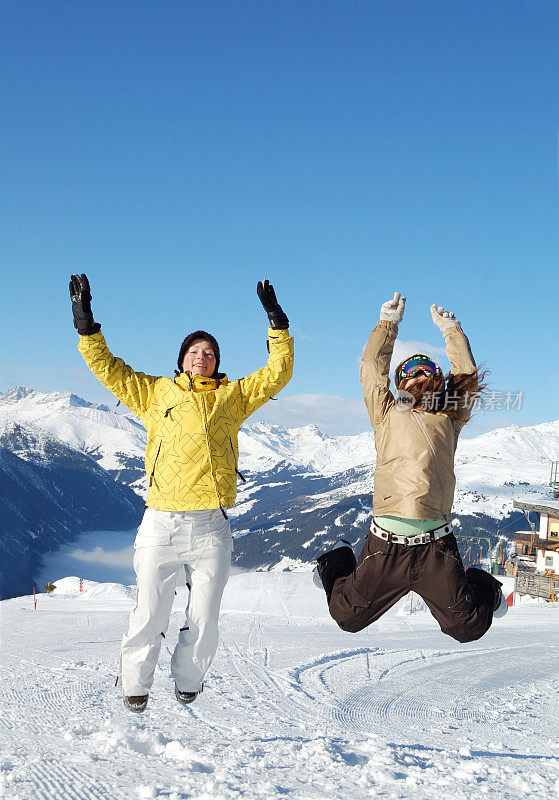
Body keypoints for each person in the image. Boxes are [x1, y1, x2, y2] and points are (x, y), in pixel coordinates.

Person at [69, 274, 294, 712]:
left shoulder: (232, 397)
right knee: (148, 612)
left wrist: (277, 325)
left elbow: (276, 373)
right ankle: (135, 683)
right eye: (194, 351)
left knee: (204, 619)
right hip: (161, 520)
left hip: (211, 525)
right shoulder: (154, 393)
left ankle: (189, 679)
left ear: (217, 362)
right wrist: (85, 324)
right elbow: (108, 369)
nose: (202, 357)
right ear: (182, 359)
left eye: (209, 353)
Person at [314, 292, 506, 642]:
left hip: (436, 548)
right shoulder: (386, 412)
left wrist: (452, 331)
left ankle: (481, 583)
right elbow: (372, 370)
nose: (419, 375)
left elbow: (466, 375)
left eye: (427, 370)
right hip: (386, 546)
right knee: (346, 615)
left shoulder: (450, 416)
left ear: (437, 379)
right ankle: (337, 557)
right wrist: (388, 324)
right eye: (410, 373)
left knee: (468, 627)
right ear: (400, 385)